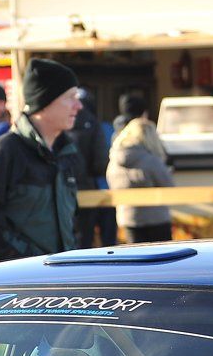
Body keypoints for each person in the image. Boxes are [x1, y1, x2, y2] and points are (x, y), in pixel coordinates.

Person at [0, 57, 83, 265]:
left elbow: (68, 223)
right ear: (45, 102)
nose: (78, 106)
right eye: (70, 97)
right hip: (16, 287)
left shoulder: (66, 154)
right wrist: (21, 264)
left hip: (58, 279)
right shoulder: (5, 152)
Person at [107, 107, 176, 243]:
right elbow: (169, 186)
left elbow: (112, 184)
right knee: (163, 261)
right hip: (156, 218)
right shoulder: (150, 160)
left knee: (135, 260)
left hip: (127, 218)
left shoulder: (114, 159)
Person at [71, 89, 115, 247]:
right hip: (95, 190)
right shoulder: (99, 126)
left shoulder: (62, 124)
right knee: (103, 241)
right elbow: (100, 161)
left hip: (65, 190)